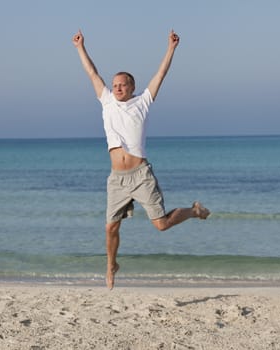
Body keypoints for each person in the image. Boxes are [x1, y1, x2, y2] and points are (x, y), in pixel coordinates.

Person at [72, 29, 210, 290]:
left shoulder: (143, 102)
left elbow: (160, 75)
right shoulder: (106, 102)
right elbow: (92, 73)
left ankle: (194, 211)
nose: (117, 88)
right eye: (114, 85)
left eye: (122, 84)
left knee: (161, 225)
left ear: (132, 87)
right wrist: (80, 47)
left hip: (140, 175)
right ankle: (112, 265)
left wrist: (171, 48)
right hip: (117, 179)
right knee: (110, 228)